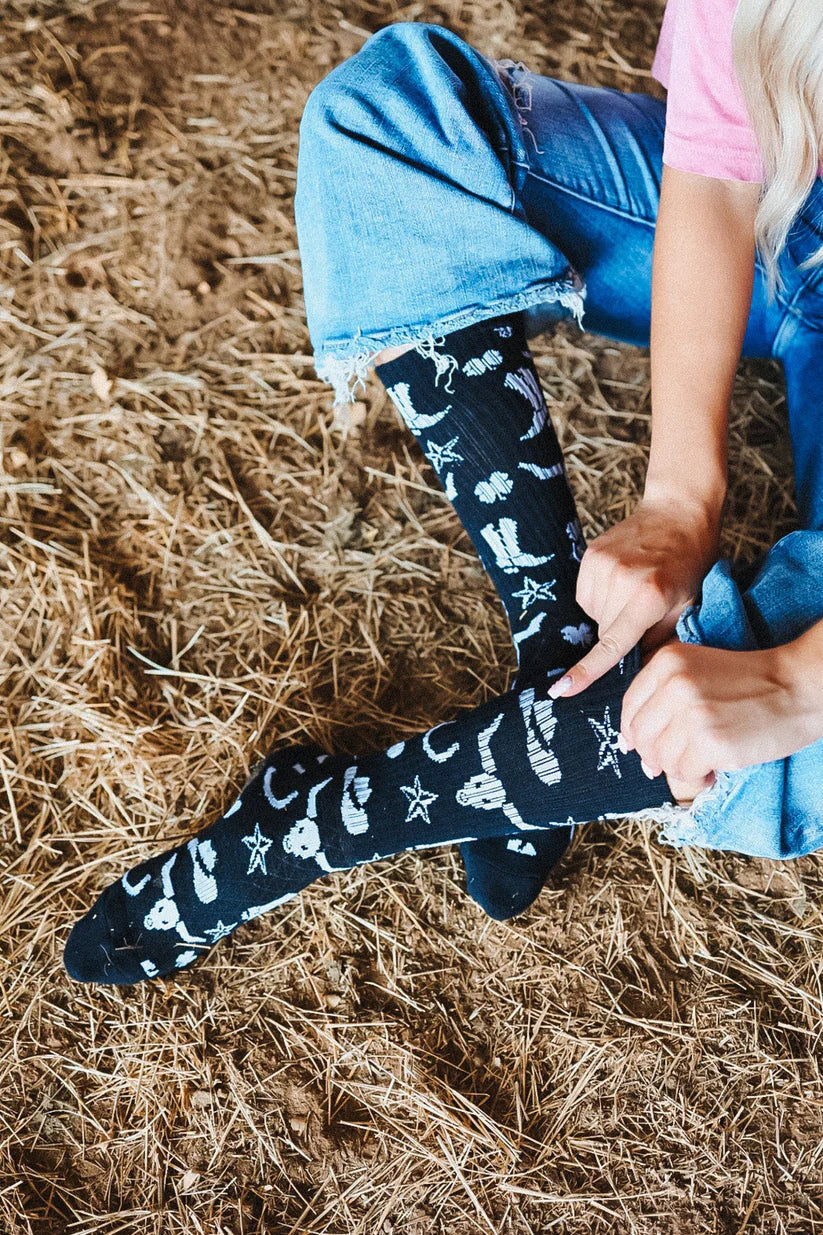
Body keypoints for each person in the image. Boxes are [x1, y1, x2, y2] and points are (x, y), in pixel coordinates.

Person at [64, 0, 823, 985]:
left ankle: (292, 835)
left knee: (761, 722)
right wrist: (680, 494)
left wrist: (795, 684)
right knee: (391, 125)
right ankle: (561, 664)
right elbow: (720, 160)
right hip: (791, 201)